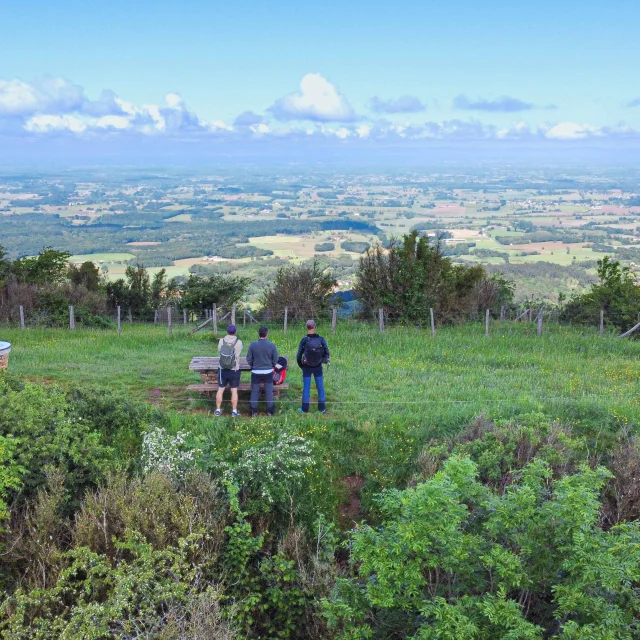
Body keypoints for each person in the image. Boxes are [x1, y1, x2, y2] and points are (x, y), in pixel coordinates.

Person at [297, 319, 330, 413]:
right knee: (320, 387)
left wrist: (301, 365)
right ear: (314, 327)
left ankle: (304, 409)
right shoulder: (321, 339)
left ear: (306, 327)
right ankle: (322, 409)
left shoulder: (304, 340)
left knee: (306, 387)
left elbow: (298, 355)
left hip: (306, 367)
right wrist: (321, 361)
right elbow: (327, 353)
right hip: (318, 367)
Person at [246, 326, 279, 417]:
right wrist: (271, 365)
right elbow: (276, 359)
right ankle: (270, 411)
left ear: (258, 334)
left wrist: (253, 366)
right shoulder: (272, 345)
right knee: (269, 391)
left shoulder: (253, 345)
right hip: (268, 372)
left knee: (255, 391)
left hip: (256, 372)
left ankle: (253, 411)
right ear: (267, 334)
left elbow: (248, 358)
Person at [215, 324, 243, 417]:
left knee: (220, 389)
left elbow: (219, 351)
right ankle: (234, 411)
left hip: (222, 369)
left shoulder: (221, 341)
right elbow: (238, 353)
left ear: (227, 332)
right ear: (235, 332)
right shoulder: (239, 342)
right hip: (234, 369)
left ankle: (218, 410)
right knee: (234, 390)